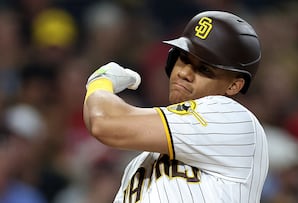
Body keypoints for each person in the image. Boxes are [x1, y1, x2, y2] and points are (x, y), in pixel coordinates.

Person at [83, 10, 269, 203]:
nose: (185, 73)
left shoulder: (233, 120)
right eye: (184, 59)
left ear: (233, 85)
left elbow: (104, 123)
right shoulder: (140, 164)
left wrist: (100, 82)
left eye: (204, 69)